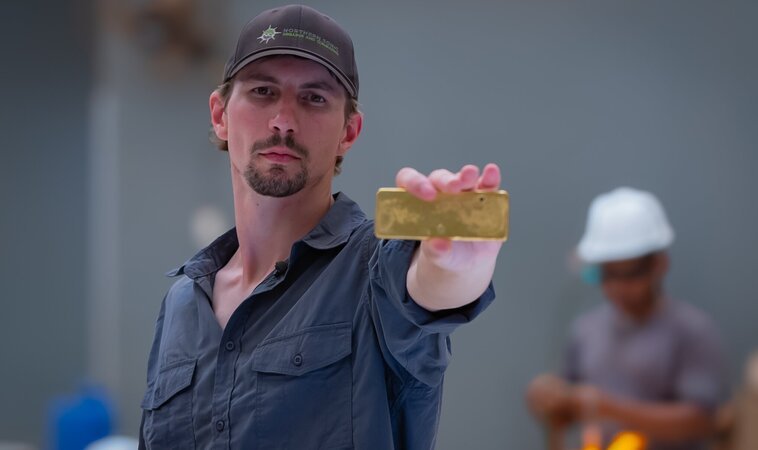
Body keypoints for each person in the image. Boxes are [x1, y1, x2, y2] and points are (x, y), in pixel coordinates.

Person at [139, 5, 503, 450]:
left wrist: (456, 261)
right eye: (262, 92)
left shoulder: (372, 270)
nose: (283, 120)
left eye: (314, 98)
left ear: (349, 131)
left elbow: (430, 289)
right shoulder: (182, 304)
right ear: (220, 115)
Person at [526, 187, 727, 450]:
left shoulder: (691, 331)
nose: (618, 287)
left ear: (659, 264)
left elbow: (702, 420)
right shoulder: (586, 330)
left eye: (630, 273)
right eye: (608, 275)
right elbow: (567, 412)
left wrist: (609, 408)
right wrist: (547, 399)